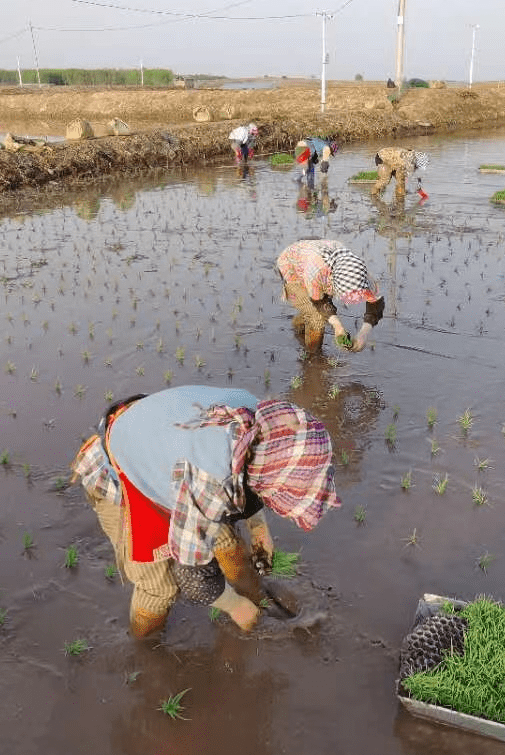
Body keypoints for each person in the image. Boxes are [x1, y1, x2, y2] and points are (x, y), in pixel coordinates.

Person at [71, 386, 339, 638]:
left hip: (168, 451)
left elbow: (254, 476)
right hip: (125, 472)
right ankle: (146, 651)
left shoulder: (263, 420)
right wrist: (235, 606)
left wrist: (259, 529)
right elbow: (191, 578)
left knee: (228, 545)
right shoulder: (208, 482)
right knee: (159, 589)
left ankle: (254, 594)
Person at [275, 239, 385, 354]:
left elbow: (376, 304)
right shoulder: (316, 273)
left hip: (318, 258)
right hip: (292, 265)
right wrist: (338, 326)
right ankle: (313, 356)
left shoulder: (360, 274)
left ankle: (299, 324)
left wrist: (363, 334)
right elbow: (320, 302)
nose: (353, 299)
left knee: (315, 311)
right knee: (316, 317)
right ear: (333, 283)